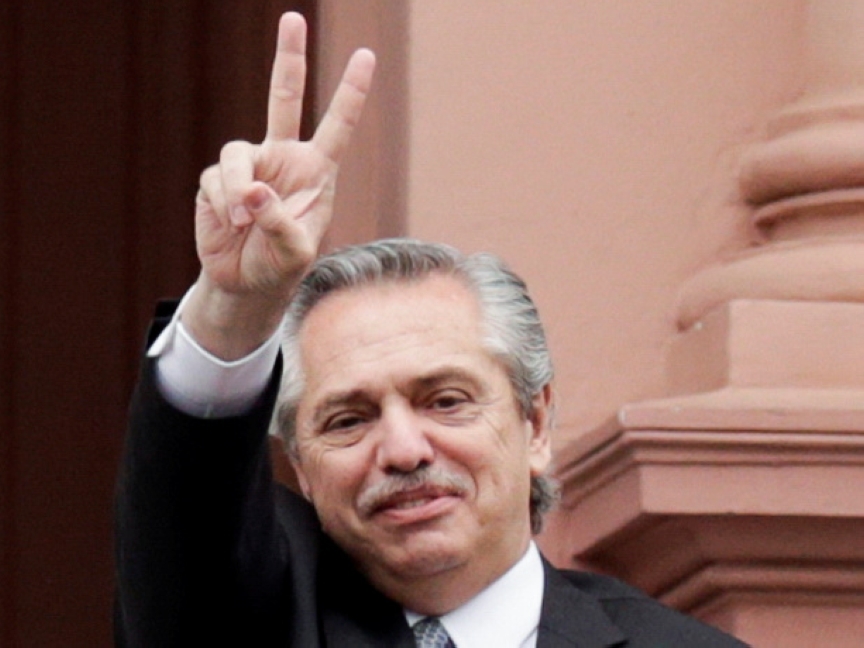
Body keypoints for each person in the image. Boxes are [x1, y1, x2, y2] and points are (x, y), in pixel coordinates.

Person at [114, 12, 748, 648]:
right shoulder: (253, 619)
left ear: (535, 423)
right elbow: (186, 533)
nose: (403, 450)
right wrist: (236, 306)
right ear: (303, 470)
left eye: (445, 401)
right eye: (347, 420)